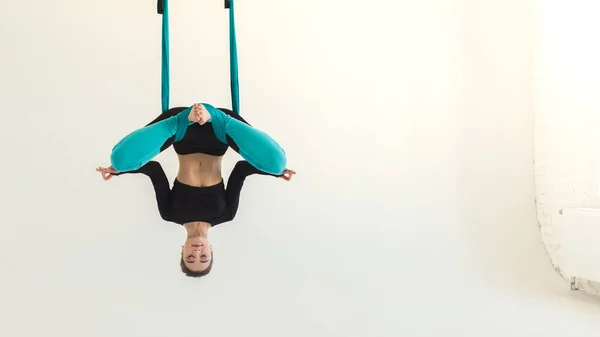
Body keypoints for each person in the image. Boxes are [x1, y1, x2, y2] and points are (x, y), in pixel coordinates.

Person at [96, 103, 296, 277]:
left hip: (182, 133)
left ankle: (180, 120)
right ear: (211, 251)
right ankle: (218, 117)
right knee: (277, 163)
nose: (197, 252)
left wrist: (118, 172)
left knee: (120, 161)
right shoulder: (226, 214)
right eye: (204, 257)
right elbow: (241, 170)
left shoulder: (170, 214)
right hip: (220, 134)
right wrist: (275, 173)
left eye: (190, 257)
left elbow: (154, 170)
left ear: (182, 251)